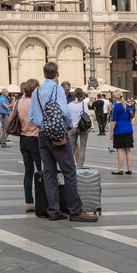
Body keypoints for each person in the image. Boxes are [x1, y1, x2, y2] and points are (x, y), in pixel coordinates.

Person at [26, 62, 98, 223]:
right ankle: (75, 211)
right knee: (69, 172)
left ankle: (53, 210)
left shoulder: (37, 91)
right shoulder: (57, 88)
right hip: (57, 134)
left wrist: (44, 125)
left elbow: (31, 117)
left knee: (49, 172)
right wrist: (68, 123)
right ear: (57, 74)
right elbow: (64, 111)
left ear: (44, 75)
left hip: (42, 134)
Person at [16, 79, 41, 213]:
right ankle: (44, 199)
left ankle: (29, 202)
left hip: (23, 138)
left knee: (28, 172)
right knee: (42, 170)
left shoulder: (19, 102)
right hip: (36, 138)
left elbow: (11, 120)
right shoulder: (36, 102)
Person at [108, 92, 134, 175]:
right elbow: (130, 118)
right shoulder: (127, 105)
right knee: (128, 150)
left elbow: (113, 121)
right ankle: (129, 169)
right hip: (128, 128)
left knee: (120, 150)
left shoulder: (116, 107)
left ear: (115, 97)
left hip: (119, 130)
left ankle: (120, 169)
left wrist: (111, 132)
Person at [68, 88, 90, 168]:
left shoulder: (69, 105)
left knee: (71, 148)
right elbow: (87, 115)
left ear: (74, 94)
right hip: (83, 127)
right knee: (82, 148)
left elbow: (67, 117)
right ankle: (80, 166)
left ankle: (68, 165)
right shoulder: (83, 104)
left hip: (73, 127)